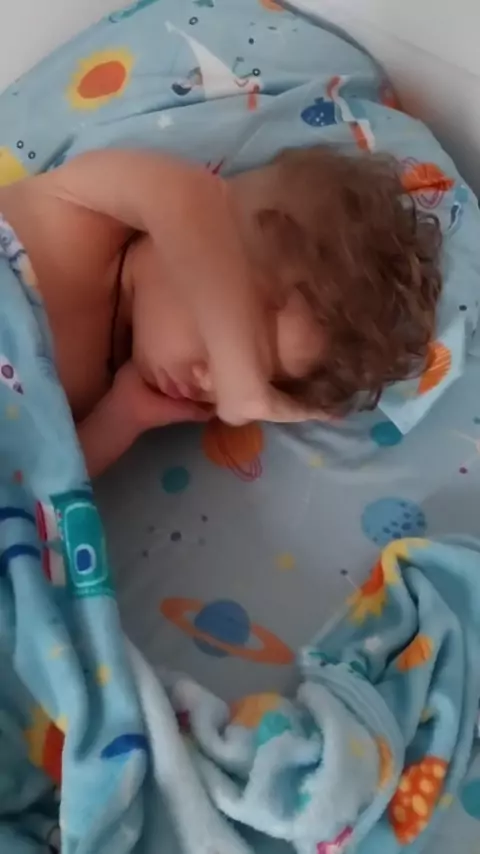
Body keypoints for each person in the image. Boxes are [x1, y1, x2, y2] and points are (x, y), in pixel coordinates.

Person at [0, 145, 442, 477]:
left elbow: (39, 487)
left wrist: (122, 418)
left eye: (265, 377)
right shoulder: (83, 210)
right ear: (225, 231)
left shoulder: (108, 384)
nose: (213, 384)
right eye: (239, 344)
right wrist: (243, 380)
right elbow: (187, 198)